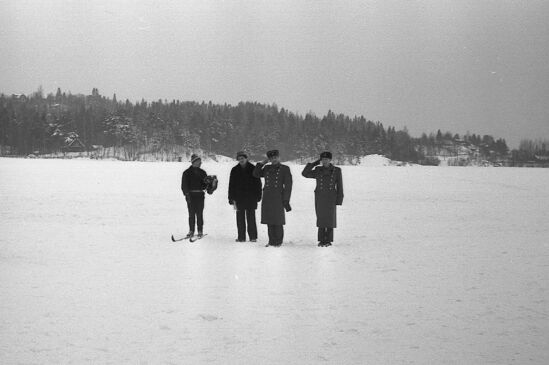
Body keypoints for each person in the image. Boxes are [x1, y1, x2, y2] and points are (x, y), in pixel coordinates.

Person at [301, 151, 344, 247]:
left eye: (327, 159)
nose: (325, 161)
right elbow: (304, 173)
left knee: (330, 219)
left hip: (331, 197)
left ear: (330, 160)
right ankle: (321, 240)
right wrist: (314, 163)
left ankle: (328, 240)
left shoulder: (336, 170)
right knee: (320, 218)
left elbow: (340, 186)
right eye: (323, 159)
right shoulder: (318, 170)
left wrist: (339, 199)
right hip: (320, 197)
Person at [253, 149, 293, 247]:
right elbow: (256, 174)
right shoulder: (267, 168)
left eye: (275, 157)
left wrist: (286, 200)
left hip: (278, 196)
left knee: (278, 220)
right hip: (267, 196)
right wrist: (262, 163)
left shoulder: (285, 168)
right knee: (269, 219)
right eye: (271, 158)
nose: (274, 159)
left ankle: (278, 241)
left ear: (279, 157)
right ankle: (271, 241)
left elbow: (288, 186)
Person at [228, 151, 262, 242]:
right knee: (240, 218)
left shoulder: (253, 168)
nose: (241, 160)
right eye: (239, 159)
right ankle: (241, 237)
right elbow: (231, 185)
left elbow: (258, 183)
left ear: (246, 158)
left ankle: (253, 237)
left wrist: (259, 195)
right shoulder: (234, 170)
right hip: (239, 198)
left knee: (251, 217)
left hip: (251, 197)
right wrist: (230, 198)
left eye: (242, 158)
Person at [181, 154, 208, 238]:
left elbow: (205, 186)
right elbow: (184, 186)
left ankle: (200, 230)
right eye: (199, 161)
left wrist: (210, 183)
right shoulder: (186, 173)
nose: (200, 163)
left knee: (200, 214)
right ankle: (191, 230)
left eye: (200, 162)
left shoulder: (203, 172)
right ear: (194, 162)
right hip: (190, 196)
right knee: (191, 214)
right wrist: (187, 195)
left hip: (200, 195)